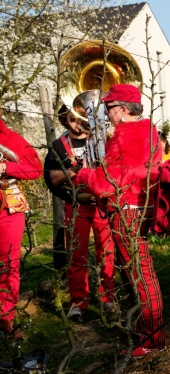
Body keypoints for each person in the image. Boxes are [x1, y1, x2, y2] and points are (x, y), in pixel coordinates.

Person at [73, 84, 164, 359]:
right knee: (136, 273)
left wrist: (84, 174)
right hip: (135, 208)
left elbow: (105, 183)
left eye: (109, 107)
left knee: (139, 275)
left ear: (123, 110)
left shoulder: (126, 136)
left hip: (127, 211)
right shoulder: (145, 131)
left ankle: (152, 338)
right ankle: (145, 331)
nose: (105, 113)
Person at [44, 105, 115, 319]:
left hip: (101, 204)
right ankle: (78, 302)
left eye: (80, 117)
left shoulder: (102, 140)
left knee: (107, 253)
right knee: (77, 255)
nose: (77, 122)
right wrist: (76, 170)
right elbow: (52, 178)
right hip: (76, 205)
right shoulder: (58, 145)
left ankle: (107, 298)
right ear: (65, 121)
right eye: (71, 118)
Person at [0, 114, 42, 340]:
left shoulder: (12, 138)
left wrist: (4, 166)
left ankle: (7, 318)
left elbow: (34, 170)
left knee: (9, 264)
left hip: (7, 211)